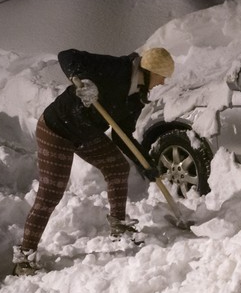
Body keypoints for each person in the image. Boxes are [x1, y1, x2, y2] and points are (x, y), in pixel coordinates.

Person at [12, 47, 175, 276]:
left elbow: (122, 135)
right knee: (52, 191)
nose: (163, 82)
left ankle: (119, 226)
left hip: (86, 133)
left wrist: (145, 164)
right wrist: (84, 81)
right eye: (162, 76)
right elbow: (67, 56)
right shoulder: (117, 68)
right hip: (56, 129)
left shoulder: (137, 97)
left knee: (118, 167)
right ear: (149, 71)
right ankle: (24, 259)